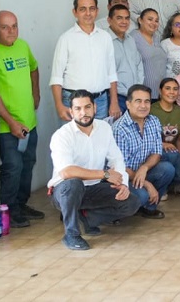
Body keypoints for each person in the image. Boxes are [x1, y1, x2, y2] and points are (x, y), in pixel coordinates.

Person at [47, 91, 142, 250]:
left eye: (87, 107)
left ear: (95, 108)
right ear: (71, 112)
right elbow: (66, 172)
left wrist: (123, 184)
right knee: (73, 183)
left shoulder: (104, 128)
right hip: (64, 191)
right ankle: (71, 234)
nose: (83, 113)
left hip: (93, 188)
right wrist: (105, 174)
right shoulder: (62, 135)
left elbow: (116, 159)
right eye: (78, 109)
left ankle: (87, 218)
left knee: (132, 202)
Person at [0, 10, 43, 228]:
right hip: (7, 126)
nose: (11, 31)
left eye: (14, 26)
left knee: (28, 164)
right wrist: (11, 122)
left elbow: (34, 68)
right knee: (12, 167)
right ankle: (9, 210)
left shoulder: (23, 46)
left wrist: (36, 93)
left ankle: (21, 204)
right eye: (4, 27)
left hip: (29, 121)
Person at [50, 0, 119, 121]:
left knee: (99, 134)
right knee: (74, 134)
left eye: (92, 9)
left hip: (100, 101)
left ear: (97, 11)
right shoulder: (66, 39)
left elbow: (111, 73)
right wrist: (59, 105)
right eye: (83, 9)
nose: (88, 13)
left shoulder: (105, 37)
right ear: (75, 12)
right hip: (74, 102)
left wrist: (114, 102)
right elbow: (56, 77)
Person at [113, 85, 174, 219]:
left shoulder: (154, 121)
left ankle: (148, 208)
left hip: (142, 172)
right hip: (123, 177)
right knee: (142, 195)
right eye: (138, 101)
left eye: (147, 101)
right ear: (128, 104)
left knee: (167, 169)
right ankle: (117, 213)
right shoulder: (120, 129)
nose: (143, 106)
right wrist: (147, 184)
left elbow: (157, 153)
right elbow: (120, 168)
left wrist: (144, 168)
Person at [151, 78, 180, 194]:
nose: (172, 92)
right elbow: (144, 138)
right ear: (160, 91)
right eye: (168, 88)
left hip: (172, 153)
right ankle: (158, 188)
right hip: (155, 152)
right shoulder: (151, 110)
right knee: (170, 157)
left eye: (175, 89)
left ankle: (166, 184)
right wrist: (161, 144)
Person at [106, 4, 143, 114]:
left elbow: (139, 64)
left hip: (134, 95)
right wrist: (114, 101)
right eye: (119, 18)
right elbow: (105, 72)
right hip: (115, 97)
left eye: (127, 18)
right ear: (109, 20)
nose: (124, 22)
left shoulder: (130, 39)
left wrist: (138, 88)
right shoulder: (104, 41)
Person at [132, 8, 167, 98]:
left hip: (161, 92)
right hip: (143, 92)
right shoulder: (132, 38)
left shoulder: (157, 37)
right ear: (140, 20)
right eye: (150, 19)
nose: (153, 23)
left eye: (156, 21)